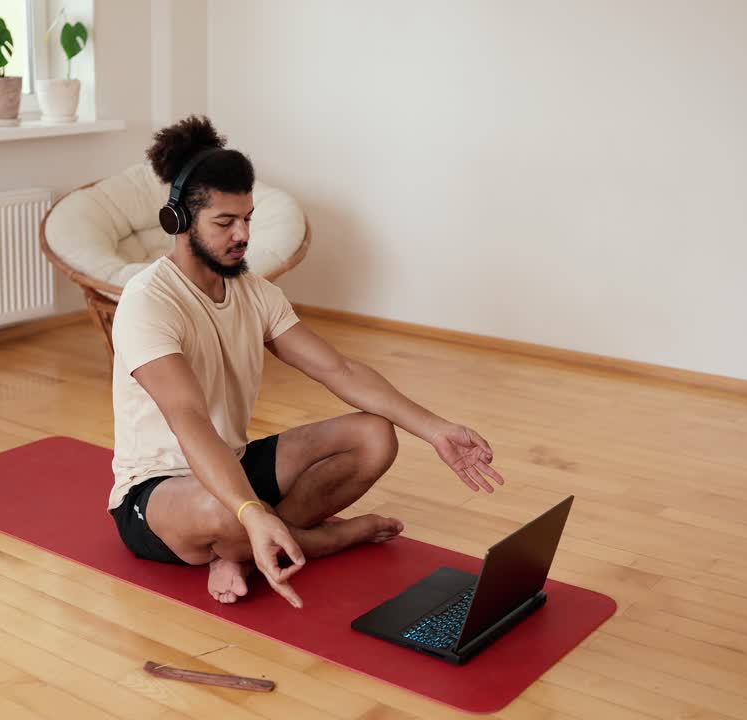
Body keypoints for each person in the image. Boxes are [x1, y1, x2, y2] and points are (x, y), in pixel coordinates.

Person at [108, 115, 505, 609]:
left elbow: (340, 370)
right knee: (228, 511)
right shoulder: (149, 301)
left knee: (374, 435)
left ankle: (241, 550)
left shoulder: (254, 292)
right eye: (225, 223)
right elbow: (188, 417)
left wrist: (437, 430)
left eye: (248, 218)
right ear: (180, 221)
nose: (242, 235)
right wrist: (249, 509)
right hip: (158, 490)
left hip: (230, 462)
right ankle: (321, 539)